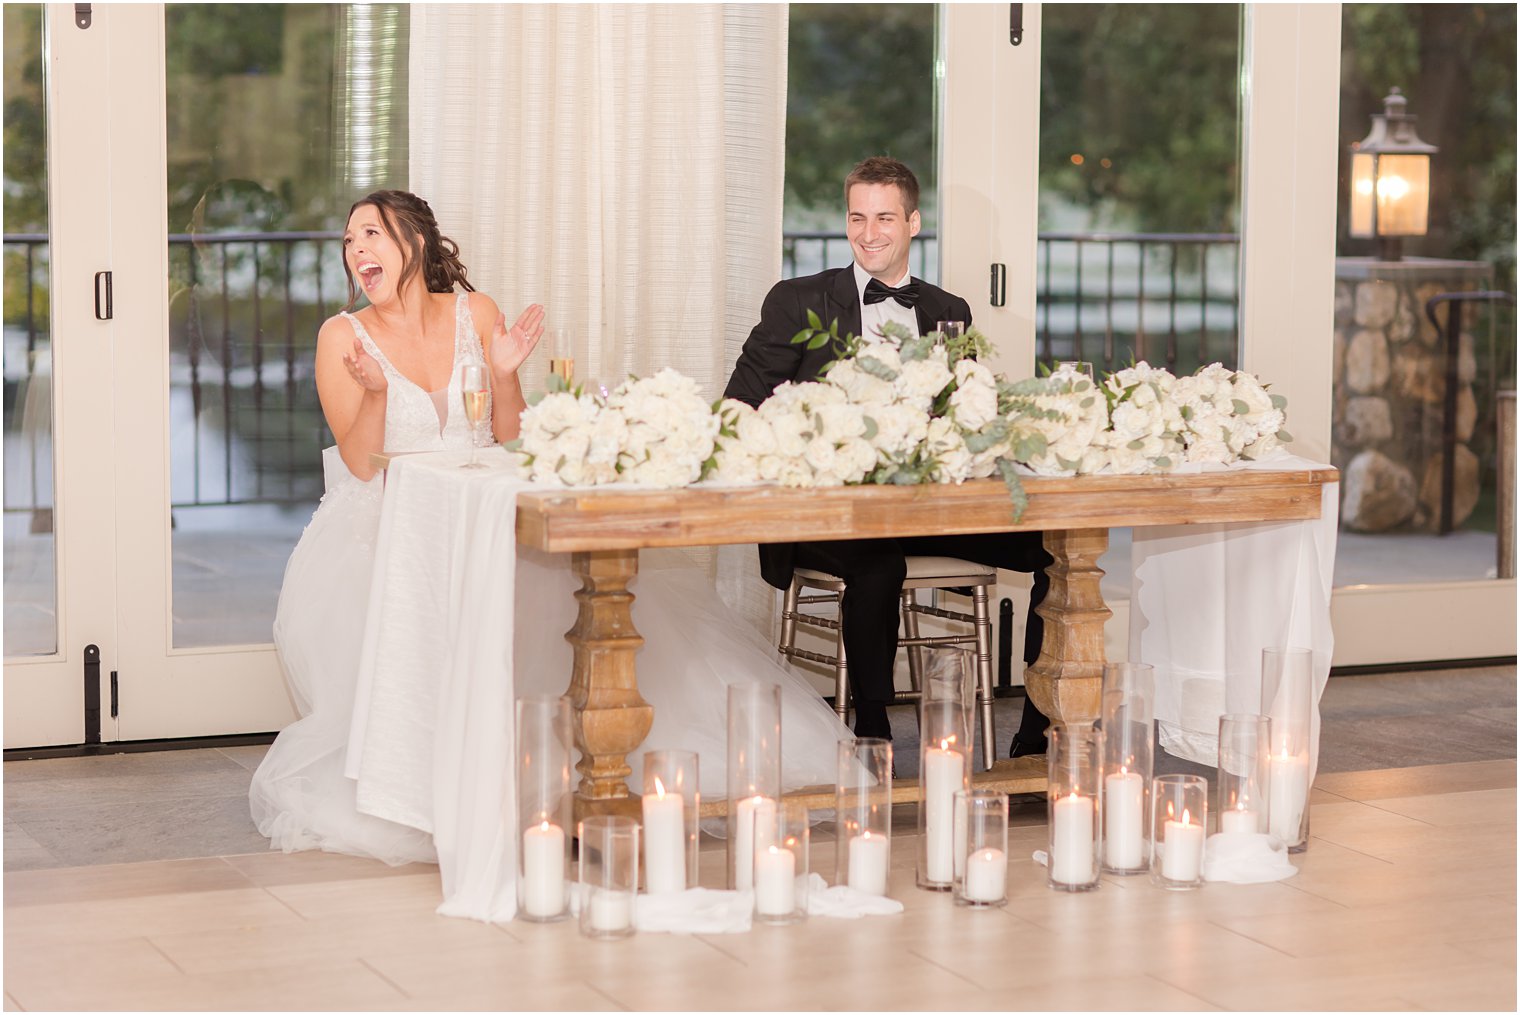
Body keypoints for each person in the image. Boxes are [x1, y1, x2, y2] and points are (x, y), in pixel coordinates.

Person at [250, 190, 849, 864]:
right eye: (350, 239)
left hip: (485, 506)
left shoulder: (476, 313)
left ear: (415, 240)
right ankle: (452, 780)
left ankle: (576, 771)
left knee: (552, 588)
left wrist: (504, 373)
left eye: (372, 233)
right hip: (392, 521)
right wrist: (381, 395)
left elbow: (509, 433)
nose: (357, 249)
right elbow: (360, 463)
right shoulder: (343, 336)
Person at [724, 156, 1054, 757]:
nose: (868, 233)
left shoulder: (948, 311)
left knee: (1053, 554)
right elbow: (738, 407)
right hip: (826, 514)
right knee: (877, 565)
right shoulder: (796, 301)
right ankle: (871, 731)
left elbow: (964, 416)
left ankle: (1038, 724)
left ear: (913, 223)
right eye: (857, 217)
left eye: (883, 218)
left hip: (923, 509)